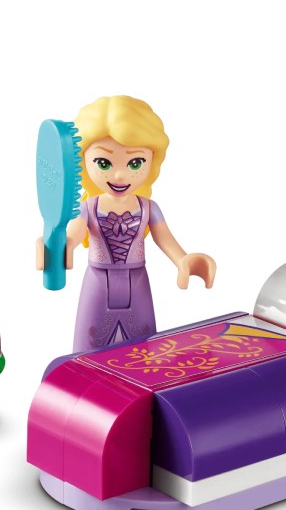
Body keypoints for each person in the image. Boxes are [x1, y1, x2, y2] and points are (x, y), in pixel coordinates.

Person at [38, 95, 216, 352]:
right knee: (90, 342)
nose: (120, 175)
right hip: (98, 282)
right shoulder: (88, 208)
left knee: (142, 346)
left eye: (135, 163)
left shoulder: (148, 208)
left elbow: (164, 238)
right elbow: (73, 237)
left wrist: (183, 260)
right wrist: (54, 245)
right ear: (82, 162)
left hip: (138, 280)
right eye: (104, 163)